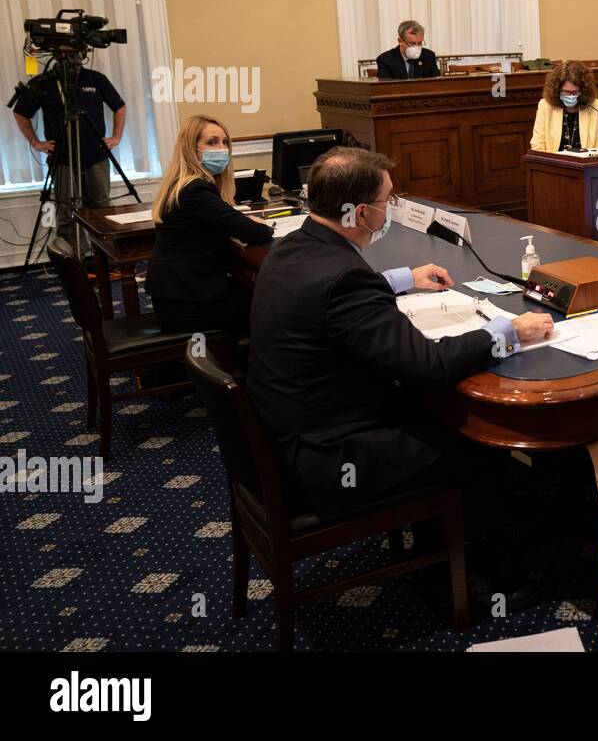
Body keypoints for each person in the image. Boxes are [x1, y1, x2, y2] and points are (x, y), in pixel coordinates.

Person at [246, 147, 554, 520]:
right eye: (386, 200)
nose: (390, 208)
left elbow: (329, 296)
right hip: (333, 457)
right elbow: (430, 365)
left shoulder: (292, 246)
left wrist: (403, 278)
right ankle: (488, 549)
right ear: (361, 213)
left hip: (290, 433)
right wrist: (510, 331)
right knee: (480, 441)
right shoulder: (344, 278)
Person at [146, 115, 273, 339]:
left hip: (178, 293)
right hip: (188, 304)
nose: (222, 149)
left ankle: (240, 360)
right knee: (274, 305)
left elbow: (222, 219)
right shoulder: (196, 191)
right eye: (212, 142)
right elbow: (257, 234)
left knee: (254, 291)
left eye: (225, 142)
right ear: (191, 149)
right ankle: (252, 368)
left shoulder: (181, 185)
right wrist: (256, 224)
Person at [11, 53, 126, 247]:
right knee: (66, 211)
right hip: (62, 158)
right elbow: (20, 112)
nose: (73, 57)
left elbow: (119, 106)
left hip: (95, 155)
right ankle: (74, 260)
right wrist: (36, 142)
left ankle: (106, 256)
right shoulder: (43, 83)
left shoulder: (96, 79)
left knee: (101, 208)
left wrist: (116, 137)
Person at [529, 61, 598, 152]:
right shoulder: (545, 106)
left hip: (585, 164)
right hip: (554, 164)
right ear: (557, 90)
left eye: (575, 92)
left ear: (584, 91)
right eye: (565, 92)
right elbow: (537, 146)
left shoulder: (597, 106)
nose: (570, 96)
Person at [376, 21, 441, 79]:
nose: (417, 47)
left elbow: (435, 83)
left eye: (420, 43)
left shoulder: (429, 56)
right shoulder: (385, 60)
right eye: (412, 43)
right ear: (400, 41)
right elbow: (385, 88)